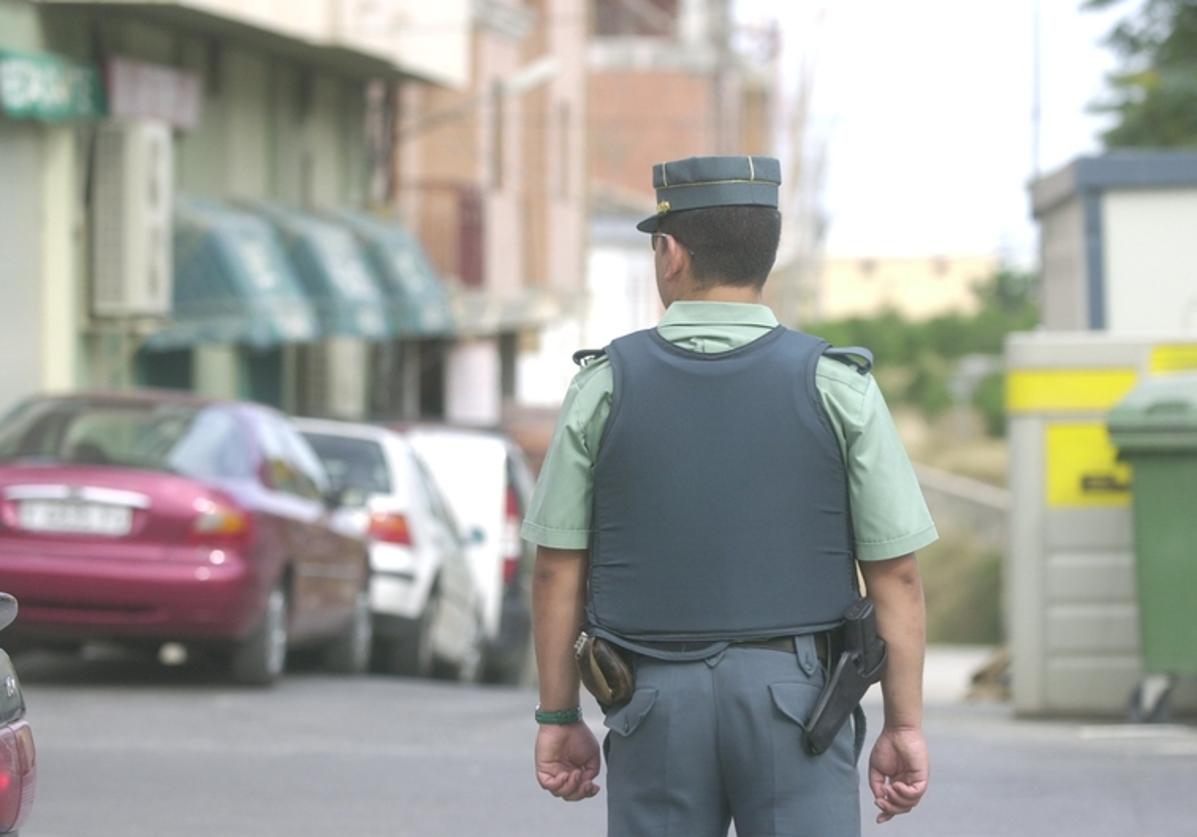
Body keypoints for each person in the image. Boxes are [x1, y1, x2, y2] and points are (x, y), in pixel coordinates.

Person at [524, 155, 935, 836]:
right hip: (799, 701)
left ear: (670, 252)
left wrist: (558, 716)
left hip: (649, 700)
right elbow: (895, 571)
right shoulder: (838, 387)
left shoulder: (602, 387)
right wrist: (904, 722)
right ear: (764, 255)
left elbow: (554, 566)